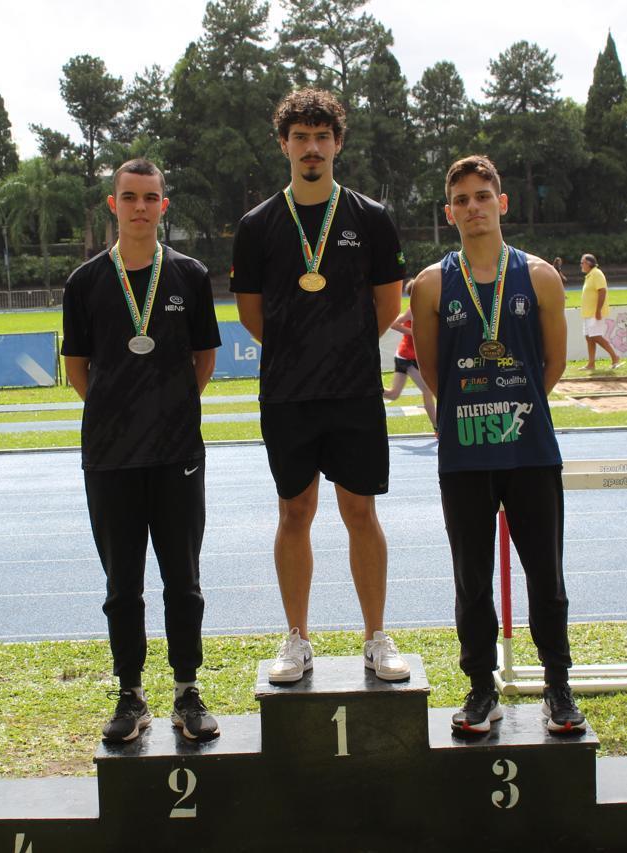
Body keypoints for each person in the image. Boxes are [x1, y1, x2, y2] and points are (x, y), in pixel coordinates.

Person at [231, 88, 410, 684]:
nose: (312, 147)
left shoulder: (371, 218)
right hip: (287, 392)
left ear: (338, 143)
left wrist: (342, 346)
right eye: (300, 137)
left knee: (361, 510)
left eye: (322, 136)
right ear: (283, 145)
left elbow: (387, 304)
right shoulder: (257, 226)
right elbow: (252, 314)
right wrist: (301, 350)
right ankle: (297, 639)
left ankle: (377, 637)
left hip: (355, 389)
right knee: (293, 512)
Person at [411, 154, 586, 738]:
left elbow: (554, 363)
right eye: (460, 200)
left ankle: (557, 686)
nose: (472, 208)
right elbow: (433, 372)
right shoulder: (432, 284)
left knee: (546, 574)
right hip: (465, 456)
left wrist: (514, 407)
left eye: (482, 196)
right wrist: (477, 411)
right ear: (448, 212)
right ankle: (481, 688)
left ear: (501, 203)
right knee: (472, 578)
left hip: (530, 450)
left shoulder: (538, 276)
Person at [62, 158, 222, 744]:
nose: (139, 207)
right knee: (121, 585)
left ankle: (187, 691)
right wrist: (118, 410)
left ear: (163, 206)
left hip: (177, 451)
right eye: (129, 197)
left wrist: (167, 407)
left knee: (184, 580)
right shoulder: (84, 283)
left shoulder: (190, 275)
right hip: (109, 457)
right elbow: (78, 367)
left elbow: (203, 360)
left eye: (150, 198)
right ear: (113, 204)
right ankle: (130, 694)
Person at [383, 279, 438, 435]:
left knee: (393, 395)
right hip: (406, 358)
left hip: (413, 357)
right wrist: (413, 333)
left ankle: (371, 386)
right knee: (427, 388)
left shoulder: (429, 309)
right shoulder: (413, 310)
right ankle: (437, 428)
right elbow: (394, 324)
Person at [579, 254, 623, 371]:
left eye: (582, 263)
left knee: (596, 337)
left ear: (588, 263)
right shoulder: (589, 275)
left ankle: (615, 357)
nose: (581, 265)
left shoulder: (597, 274)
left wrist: (598, 310)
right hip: (588, 313)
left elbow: (602, 291)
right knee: (589, 337)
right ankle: (591, 364)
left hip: (594, 313)